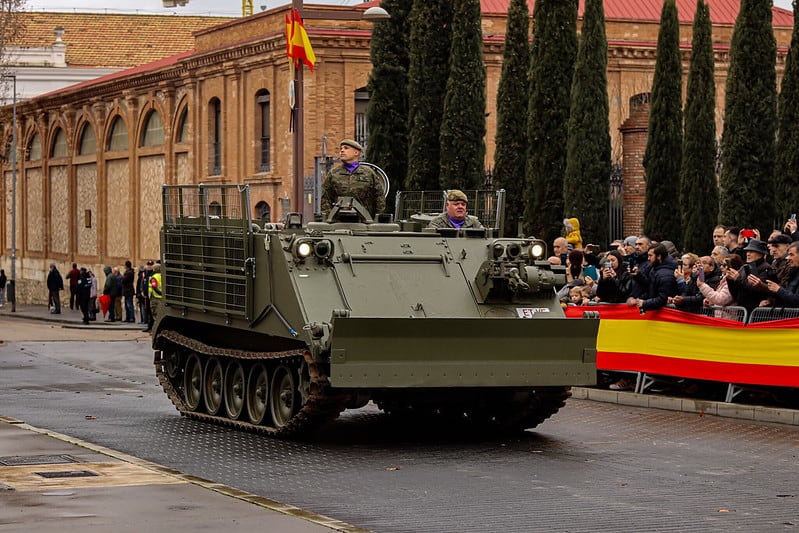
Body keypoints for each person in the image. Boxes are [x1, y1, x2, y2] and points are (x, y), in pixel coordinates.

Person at [320, 139, 385, 217]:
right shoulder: (333, 173)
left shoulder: (368, 173)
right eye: (341, 149)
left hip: (365, 221)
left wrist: (377, 219)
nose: (342, 150)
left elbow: (379, 197)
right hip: (339, 222)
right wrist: (329, 218)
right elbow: (325, 198)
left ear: (356, 153)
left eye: (346, 148)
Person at [726, 239, 775, 312]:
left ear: (760, 254)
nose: (748, 254)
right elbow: (736, 294)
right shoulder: (743, 267)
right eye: (747, 251)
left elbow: (755, 289)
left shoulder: (766, 268)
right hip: (742, 311)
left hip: (758, 313)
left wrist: (738, 278)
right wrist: (730, 281)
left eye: (751, 251)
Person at [627, 243, 679, 312]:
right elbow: (650, 286)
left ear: (659, 256)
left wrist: (645, 303)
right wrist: (638, 275)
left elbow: (663, 298)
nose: (648, 258)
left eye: (650, 256)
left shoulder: (666, 275)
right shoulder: (655, 268)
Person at [765, 241, 799, 306]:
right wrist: (770, 302)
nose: (788, 258)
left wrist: (778, 289)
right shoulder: (792, 272)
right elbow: (787, 297)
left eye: (791, 255)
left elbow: (796, 299)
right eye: (788, 254)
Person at [145, 263, 162, 333]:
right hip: (161, 298)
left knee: (155, 314)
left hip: (155, 297)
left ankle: (156, 330)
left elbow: (154, 287)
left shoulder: (154, 277)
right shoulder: (162, 275)